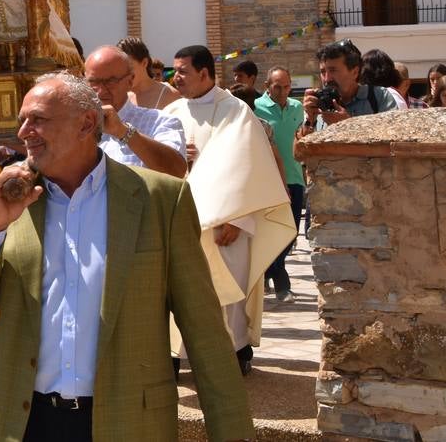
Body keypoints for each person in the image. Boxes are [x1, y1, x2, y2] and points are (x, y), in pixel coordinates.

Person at [0, 73, 255, 442]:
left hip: (129, 423)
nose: (24, 132)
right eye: (22, 121)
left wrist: (232, 431)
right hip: (22, 423)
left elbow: (203, 329)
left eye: (38, 119)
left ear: (87, 123)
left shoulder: (161, 201)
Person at [164, 46, 295, 376]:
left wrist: (239, 218)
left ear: (204, 73)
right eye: (174, 71)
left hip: (226, 221)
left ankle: (234, 351)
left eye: (182, 71)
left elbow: (249, 165)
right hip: (180, 219)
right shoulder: (172, 111)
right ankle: (174, 354)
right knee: (177, 290)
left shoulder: (235, 111)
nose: (176, 78)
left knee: (227, 291)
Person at [83, 45, 187, 177]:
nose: (101, 91)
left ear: (130, 81)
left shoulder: (160, 122)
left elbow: (176, 171)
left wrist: (124, 132)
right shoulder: (76, 125)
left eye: (111, 81)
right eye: (93, 82)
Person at [254, 67, 306, 304]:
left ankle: (268, 271)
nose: (283, 91)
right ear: (267, 86)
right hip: (268, 180)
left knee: (291, 232)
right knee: (274, 231)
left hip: (295, 178)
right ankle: (282, 284)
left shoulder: (297, 107)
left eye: (287, 86)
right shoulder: (256, 108)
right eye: (277, 87)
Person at [299, 39, 399, 134]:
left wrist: (347, 125)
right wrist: (309, 120)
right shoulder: (318, 102)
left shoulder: (379, 97)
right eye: (323, 72)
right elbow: (297, 146)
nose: (327, 79)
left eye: (333, 70)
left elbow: (393, 139)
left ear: (355, 72)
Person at [117, 36, 181, 109]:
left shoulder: (169, 95)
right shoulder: (120, 96)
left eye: (129, 67)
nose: (123, 73)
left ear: (144, 63)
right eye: (120, 68)